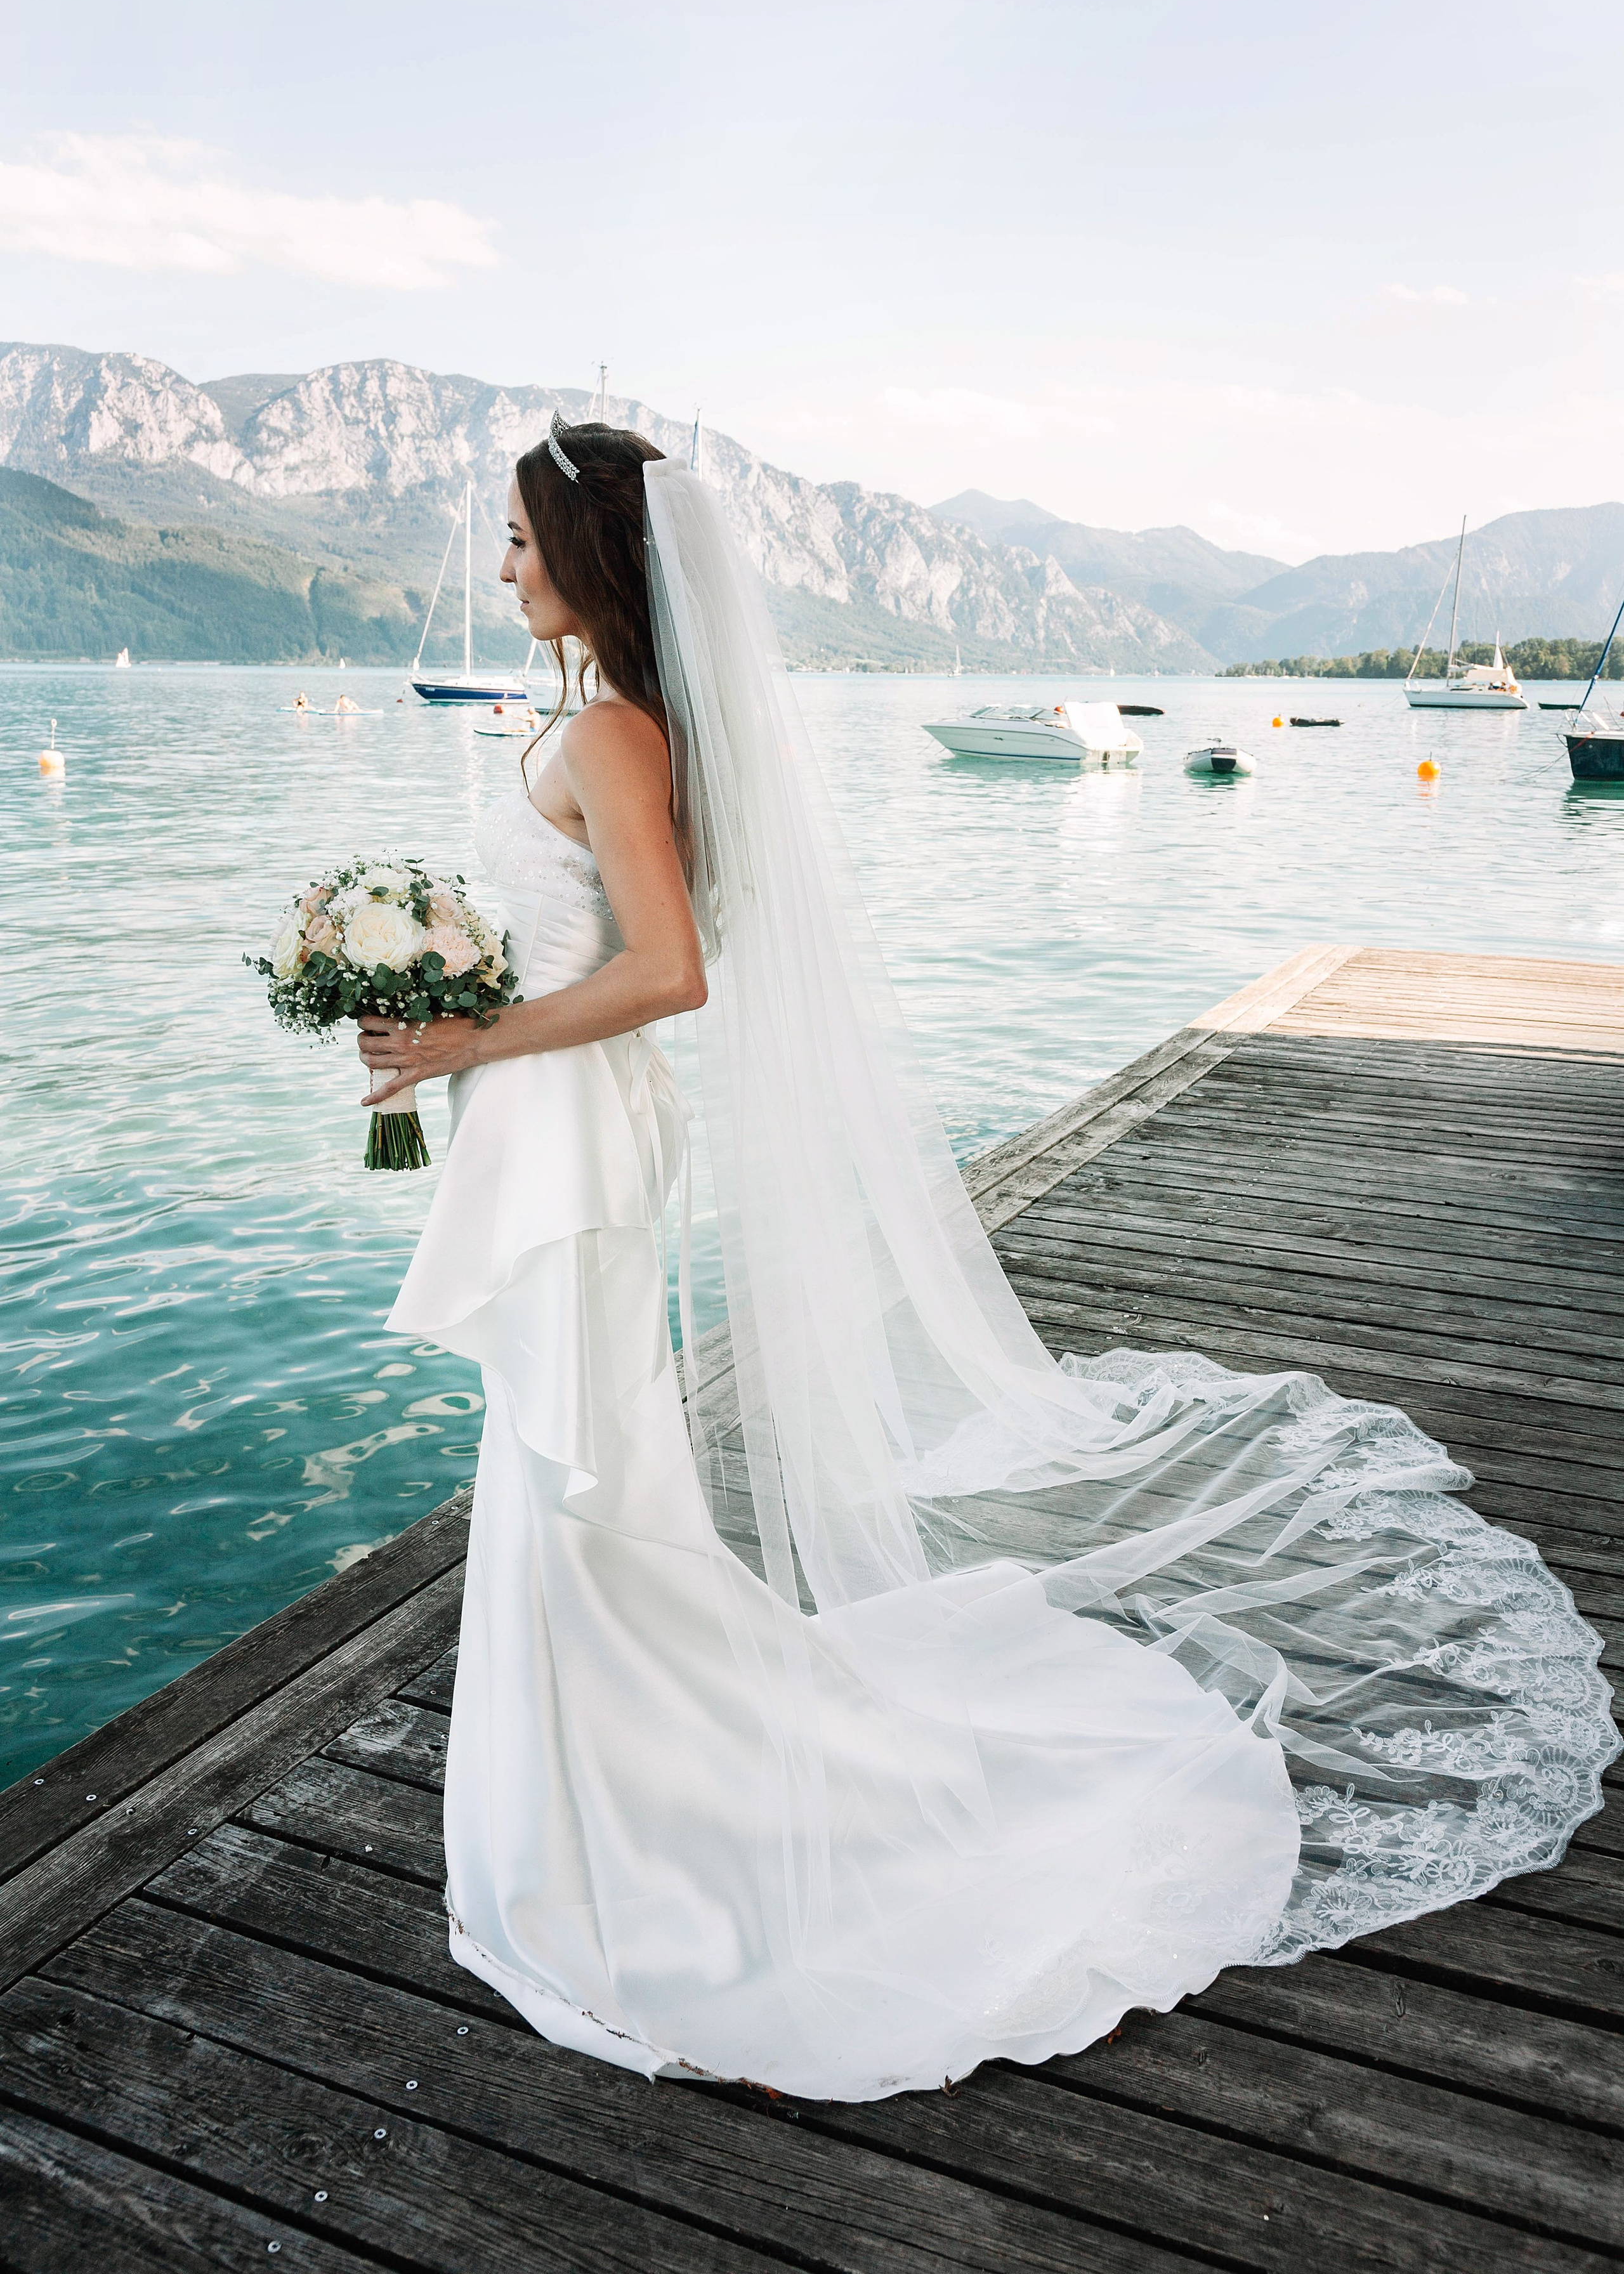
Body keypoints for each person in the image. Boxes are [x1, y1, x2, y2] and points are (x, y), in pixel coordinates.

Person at [361, 414, 1616, 2102]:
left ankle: (639, 1811)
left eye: (519, 540)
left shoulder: (609, 732)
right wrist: (465, 1021)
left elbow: (670, 972)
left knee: (585, 1479)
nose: (503, 567)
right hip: (562, 1122)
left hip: (576, 1131)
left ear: (586, 558)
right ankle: (598, 1782)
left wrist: (469, 1035)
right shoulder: (610, 724)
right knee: (579, 1473)